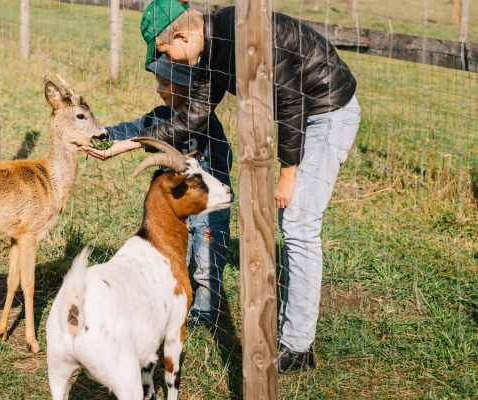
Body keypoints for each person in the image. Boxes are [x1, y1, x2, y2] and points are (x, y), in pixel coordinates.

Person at [131, 0, 362, 373]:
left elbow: (290, 101)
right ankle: (294, 334)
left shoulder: (241, 34)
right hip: (303, 113)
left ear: (181, 35)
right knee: (295, 225)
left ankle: (298, 346)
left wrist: (288, 172)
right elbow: (194, 117)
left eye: (165, 52)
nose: (168, 61)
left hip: (325, 110)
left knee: (300, 224)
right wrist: (131, 141)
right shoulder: (207, 51)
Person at [80, 55, 234, 330]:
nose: (159, 89)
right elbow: (135, 130)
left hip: (207, 208)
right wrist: (105, 137)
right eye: (158, 83)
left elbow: (223, 162)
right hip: (175, 208)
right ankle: (171, 304)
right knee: (174, 259)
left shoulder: (205, 121)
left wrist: (199, 167)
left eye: (165, 83)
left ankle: (205, 313)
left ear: (186, 86)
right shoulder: (161, 115)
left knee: (207, 264)